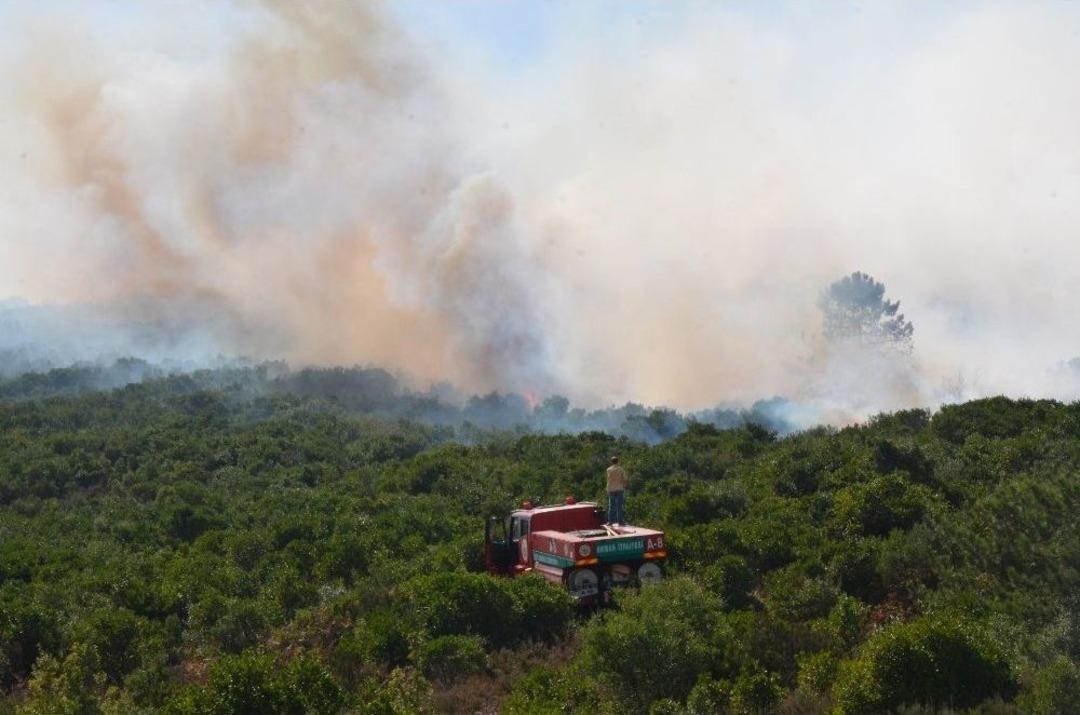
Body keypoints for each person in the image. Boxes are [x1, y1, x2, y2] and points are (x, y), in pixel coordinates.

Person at [606, 456, 628, 525]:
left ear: (611, 462)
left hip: (611, 489)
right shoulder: (621, 469)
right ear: (618, 461)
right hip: (619, 488)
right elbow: (625, 478)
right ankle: (620, 521)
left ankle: (610, 521)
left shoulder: (608, 469)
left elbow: (609, 479)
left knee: (611, 505)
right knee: (619, 506)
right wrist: (624, 485)